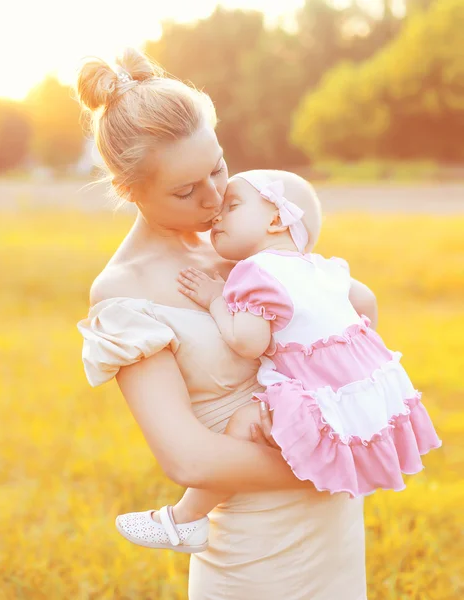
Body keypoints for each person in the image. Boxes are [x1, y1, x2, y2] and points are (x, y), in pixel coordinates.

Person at [76, 47, 368, 599]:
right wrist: (344, 455)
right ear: (128, 189)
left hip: (333, 526)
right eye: (186, 191)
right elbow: (188, 457)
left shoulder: (243, 242)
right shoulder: (123, 293)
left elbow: (357, 312)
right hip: (254, 544)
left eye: (218, 168)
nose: (215, 200)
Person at [114, 169, 442, 553]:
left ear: (275, 219)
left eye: (232, 206)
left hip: (321, 398)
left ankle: (184, 520)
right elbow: (364, 304)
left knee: (242, 422)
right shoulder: (322, 268)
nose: (217, 216)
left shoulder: (255, 272)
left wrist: (216, 300)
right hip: (366, 394)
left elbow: (248, 342)